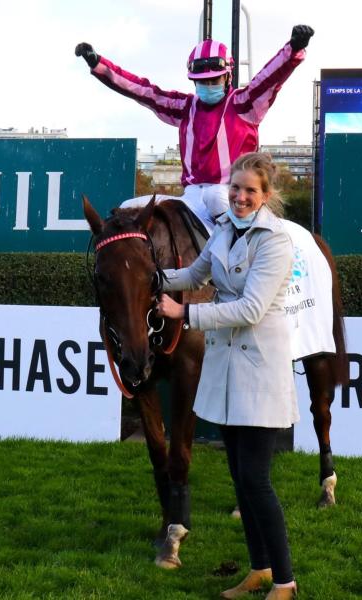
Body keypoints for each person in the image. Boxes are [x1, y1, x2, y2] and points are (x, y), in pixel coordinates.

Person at [156, 152, 299, 600]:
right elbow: (192, 274)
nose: (239, 197)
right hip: (226, 372)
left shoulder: (276, 241)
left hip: (258, 370)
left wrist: (185, 312)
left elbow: (251, 309)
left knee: (256, 480)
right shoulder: (222, 229)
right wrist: (149, 277)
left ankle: (285, 581)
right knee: (240, 477)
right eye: (235, 188)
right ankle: (259, 570)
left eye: (249, 191)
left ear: (266, 195)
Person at [75, 25, 313, 228]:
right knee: (128, 208)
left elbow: (269, 78)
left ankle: (241, 262)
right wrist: (99, 64)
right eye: (201, 82)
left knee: (215, 197)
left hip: (232, 194)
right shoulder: (184, 106)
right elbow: (143, 91)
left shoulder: (244, 104)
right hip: (190, 198)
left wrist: (292, 49)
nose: (207, 85)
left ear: (228, 76)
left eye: (214, 80)